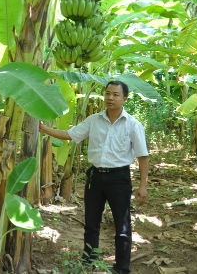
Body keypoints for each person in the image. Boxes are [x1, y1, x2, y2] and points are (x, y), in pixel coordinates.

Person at [39, 80, 149, 274]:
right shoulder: (94, 120)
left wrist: (143, 186)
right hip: (95, 177)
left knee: (122, 226)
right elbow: (70, 134)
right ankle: (88, 260)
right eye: (107, 93)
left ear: (125, 98)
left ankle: (122, 268)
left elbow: (142, 156)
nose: (110, 98)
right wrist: (44, 129)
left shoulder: (133, 124)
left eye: (115, 94)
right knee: (91, 222)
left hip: (119, 178)